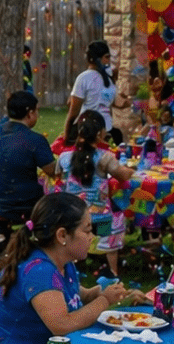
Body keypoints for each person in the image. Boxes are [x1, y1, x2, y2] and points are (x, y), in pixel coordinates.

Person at [0, 193, 138, 344]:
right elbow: (62, 325)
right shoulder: (39, 271)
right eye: (87, 230)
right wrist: (105, 300)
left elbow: (75, 295)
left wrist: (110, 292)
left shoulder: (62, 263)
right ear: (62, 235)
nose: (92, 237)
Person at [55, 112, 134, 278]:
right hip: (100, 219)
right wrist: (131, 169)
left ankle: (68, 268)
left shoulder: (64, 158)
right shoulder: (105, 158)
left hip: (72, 216)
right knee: (117, 215)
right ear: (99, 134)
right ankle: (113, 271)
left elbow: (60, 182)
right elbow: (123, 175)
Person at [0, 91, 57, 254]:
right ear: (30, 113)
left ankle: (0, 243)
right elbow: (51, 170)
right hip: (24, 204)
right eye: (36, 110)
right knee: (53, 202)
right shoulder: (34, 139)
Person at [65, 41, 118, 144]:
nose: (109, 61)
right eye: (107, 57)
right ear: (98, 59)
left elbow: (73, 113)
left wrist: (66, 138)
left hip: (88, 131)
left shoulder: (84, 78)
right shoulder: (110, 80)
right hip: (106, 130)